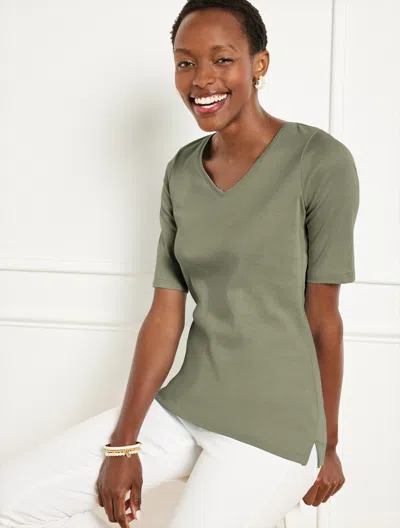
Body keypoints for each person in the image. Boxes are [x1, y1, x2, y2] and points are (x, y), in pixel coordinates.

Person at [0, 0, 360, 527]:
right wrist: (124, 445)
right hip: (187, 407)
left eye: (222, 59)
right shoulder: (183, 171)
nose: (201, 79)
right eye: (185, 62)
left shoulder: (319, 161)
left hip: (276, 428)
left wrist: (328, 445)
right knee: (12, 497)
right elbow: (165, 314)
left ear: (259, 64)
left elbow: (325, 319)